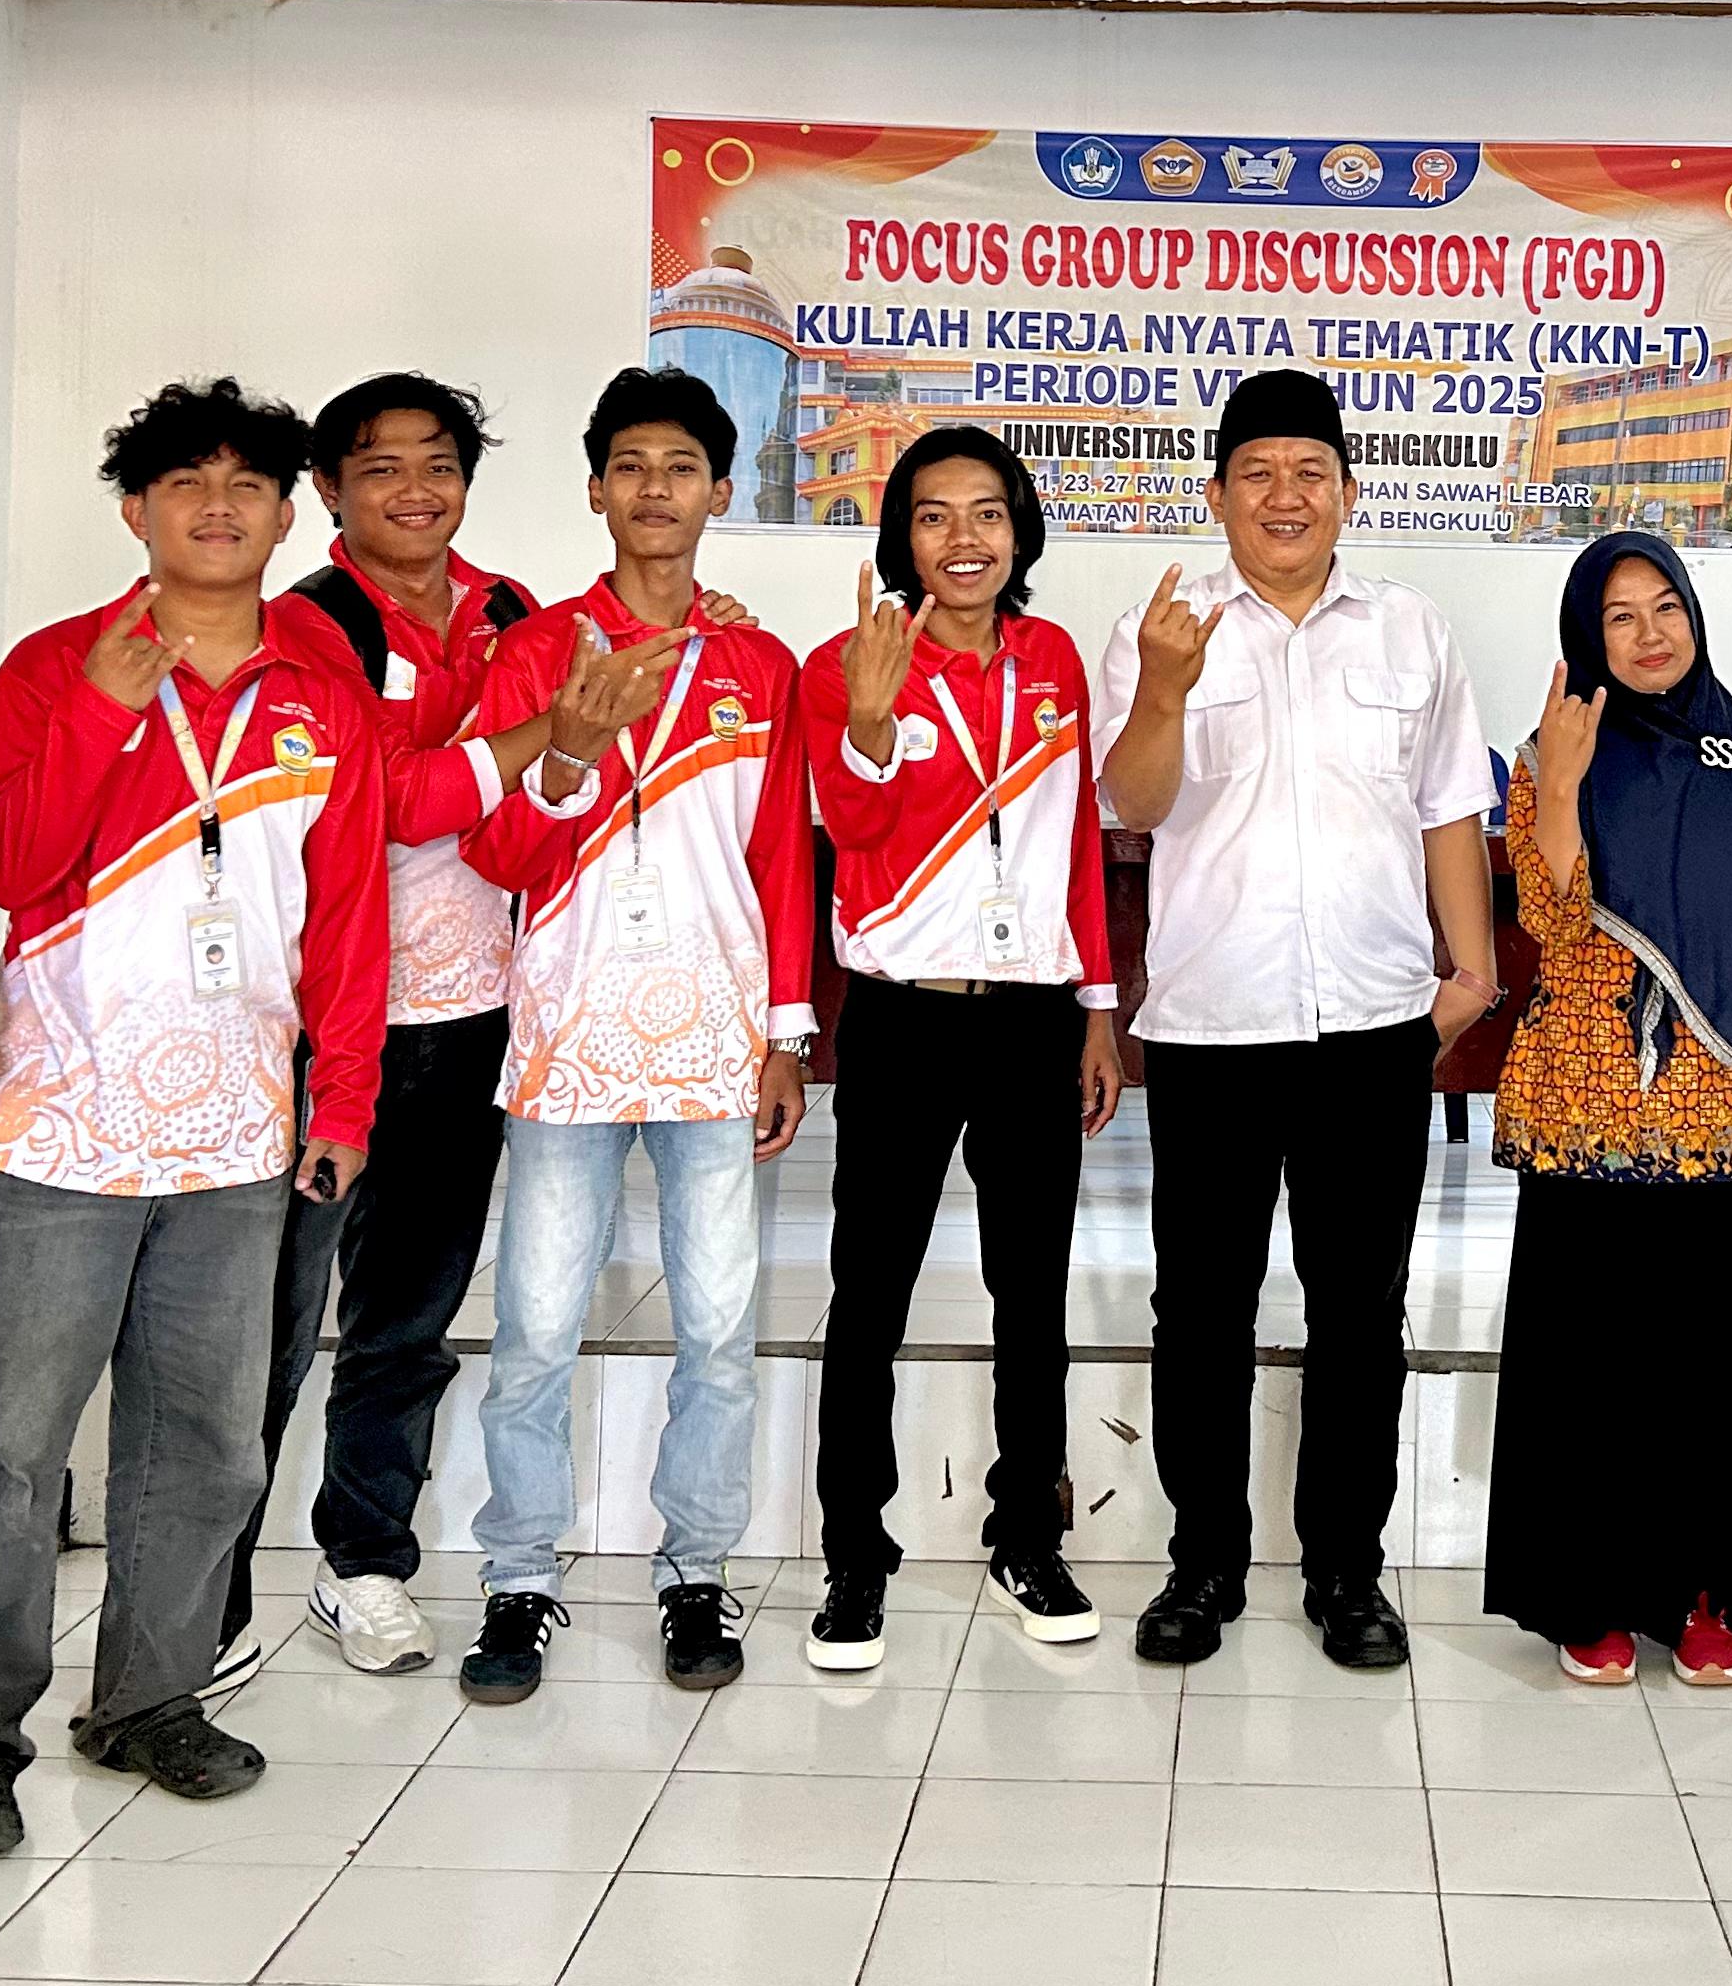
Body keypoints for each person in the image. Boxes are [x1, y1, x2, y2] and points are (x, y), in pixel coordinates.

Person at [0, 379, 389, 1861]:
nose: (221, 506)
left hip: (237, 1137)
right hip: (55, 1127)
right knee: (3, 1450)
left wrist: (347, 1097)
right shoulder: (62, 667)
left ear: (290, 512)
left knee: (204, 1446)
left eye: (251, 484)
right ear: (136, 508)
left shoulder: (322, 693)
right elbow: (5, 860)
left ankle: (148, 1701)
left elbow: (350, 915)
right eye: (187, 483)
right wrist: (108, 722)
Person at [1093, 369, 1498, 1672]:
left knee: (1359, 1313)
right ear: (1216, 494)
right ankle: (1202, 1563)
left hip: (1377, 1026)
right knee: (1199, 1311)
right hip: (1213, 1027)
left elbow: (1449, 809)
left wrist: (1473, 973)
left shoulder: (1412, 631)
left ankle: (1346, 1572)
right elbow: (1134, 808)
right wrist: (1163, 689)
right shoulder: (1161, 627)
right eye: (1257, 472)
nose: (1285, 495)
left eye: (1309, 472)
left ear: (1347, 493)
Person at [454, 366, 816, 1700]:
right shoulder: (542, 648)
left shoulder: (759, 663)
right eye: (631, 466)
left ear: (721, 492)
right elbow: (494, 842)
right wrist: (563, 753)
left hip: (720, 1047)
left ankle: (697, 1573)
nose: (655, 489)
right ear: (597, 488)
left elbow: (785, 859)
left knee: (719, 1328)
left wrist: (788, 1034)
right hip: (569, 1041)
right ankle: (517, 1579)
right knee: (538, 1328)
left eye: (682, 467)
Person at [215, 374, 544, 1686]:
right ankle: (208, 1583)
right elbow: (385, 800)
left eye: (437, 465)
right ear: (331, 493)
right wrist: (529, 741)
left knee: (409, 1318)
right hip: (317, 1023)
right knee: (265, 1324)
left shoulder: (511, 611)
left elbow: (598, 723)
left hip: (469, 1014)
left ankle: (364, 1565)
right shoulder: (302, 629)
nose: (414, 490)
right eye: (379, 468)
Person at [796, 425, 1125, 1675]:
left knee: (1028, 1293)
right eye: (935, 516)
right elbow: (860, 834)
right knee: (866, 1292)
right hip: (905, 1015)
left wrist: (1097, 1004)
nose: (964, 538)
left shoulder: (1051, 665)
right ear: (903, 537)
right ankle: (851, 1554)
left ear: (1020, 530)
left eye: (987, 513)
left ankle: (1024, 1536)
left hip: (1033, 1015)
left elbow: (1078, 850)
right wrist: (871, 722)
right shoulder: (846, 666)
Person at [1482, 534, 1732, 1685]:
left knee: (1707, 1372)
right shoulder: (1548, 756)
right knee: (1591, 1368)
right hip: (1589, 1107)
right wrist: (1569, 790)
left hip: (1724, 1110)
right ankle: (1587, 1590)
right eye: (1619, 616)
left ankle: (1700, 1591)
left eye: (1665, 606)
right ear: (1588, 636)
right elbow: (1551, 919)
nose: (1649, 633)